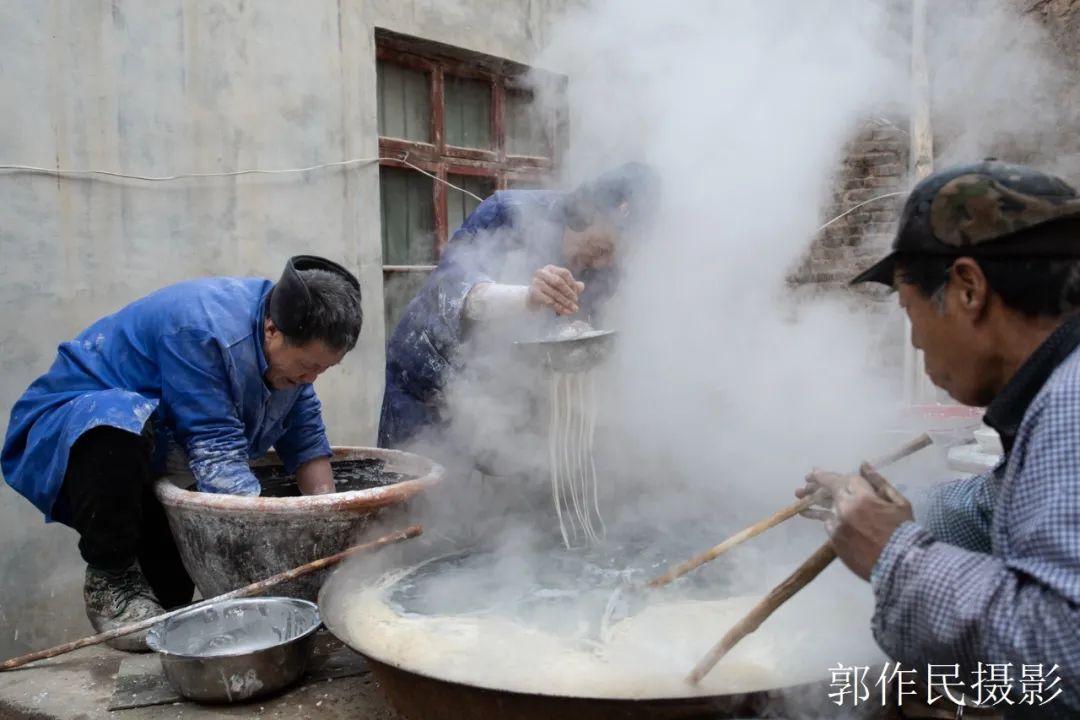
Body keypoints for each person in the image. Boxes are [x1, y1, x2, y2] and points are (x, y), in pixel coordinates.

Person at [800, 160, 1080, 716]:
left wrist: (896, 553)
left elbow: (1063, 652)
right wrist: (896, 513)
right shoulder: (1056, 387)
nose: (918, 344)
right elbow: (1003, 506)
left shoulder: (1071, 403)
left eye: (910, 312)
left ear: (968, 289)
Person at [1, 255, 362, 651]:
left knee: (166, 613)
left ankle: (141, 595)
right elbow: (218, 454)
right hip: (78, 431)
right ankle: (110, 579)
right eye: (308, 366)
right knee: (118, 423)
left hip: (157, 456)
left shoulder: (291, 335)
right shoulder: (202, 330)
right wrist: (271, 565)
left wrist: (328, 529)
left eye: (323, 371)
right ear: (272, 329)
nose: (310, 378)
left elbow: (305, 435)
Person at [378, 162, 660, 454]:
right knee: (419, 485)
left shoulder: (602, 269)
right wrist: (526, 297)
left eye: (613, 258)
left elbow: (582, 319)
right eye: (602, 248)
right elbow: (452, 287)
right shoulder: (508, 213)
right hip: (426, 379)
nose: (602, 264)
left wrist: (576, 333)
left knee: (505, 475)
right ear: (586, 210)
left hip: (498, 395)